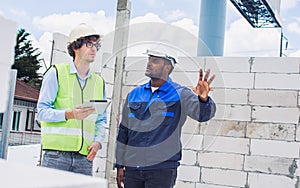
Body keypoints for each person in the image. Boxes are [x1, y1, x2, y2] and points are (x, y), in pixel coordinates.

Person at [115, 49, 216, 188]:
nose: (149, 63)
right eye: (149, 59)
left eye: (155, 61)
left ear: (167, 67)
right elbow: (124, 130)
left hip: (161, 170)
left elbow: (203, 116)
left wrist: (203, 99)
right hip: (133, 168)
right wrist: (120, 164)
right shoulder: (134, 94)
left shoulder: (180, 94)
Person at [37, 23, 106, 176]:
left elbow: (101, 120)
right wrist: (69, 114)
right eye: (89, 44)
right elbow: (41, 112)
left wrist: (98, 142)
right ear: (76, 47)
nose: (94, 48)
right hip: (56, 157)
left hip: (84, 158)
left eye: (96, 45)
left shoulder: (99, 82)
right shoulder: (56, 73)